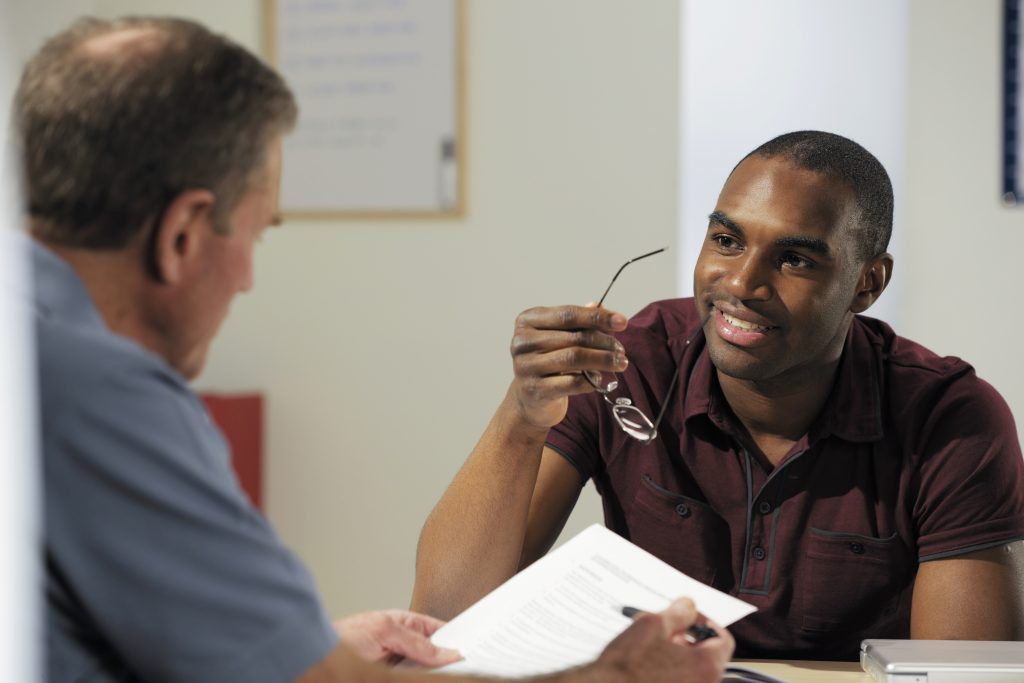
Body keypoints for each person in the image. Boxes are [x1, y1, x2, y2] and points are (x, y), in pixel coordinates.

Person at [18, 15, 734, 683]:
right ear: (183, 235)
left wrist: (307, 641)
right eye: (257, 234)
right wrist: (612, 676)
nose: (247, 278)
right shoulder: (104, 395)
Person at [412, 130, 1024, 661]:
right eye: (727, 241)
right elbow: (445, 618)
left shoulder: (951, 419)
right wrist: (521, 418)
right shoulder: (631, 362)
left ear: (868, 283)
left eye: (794, 260)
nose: (740, 283)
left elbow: (960, 673)